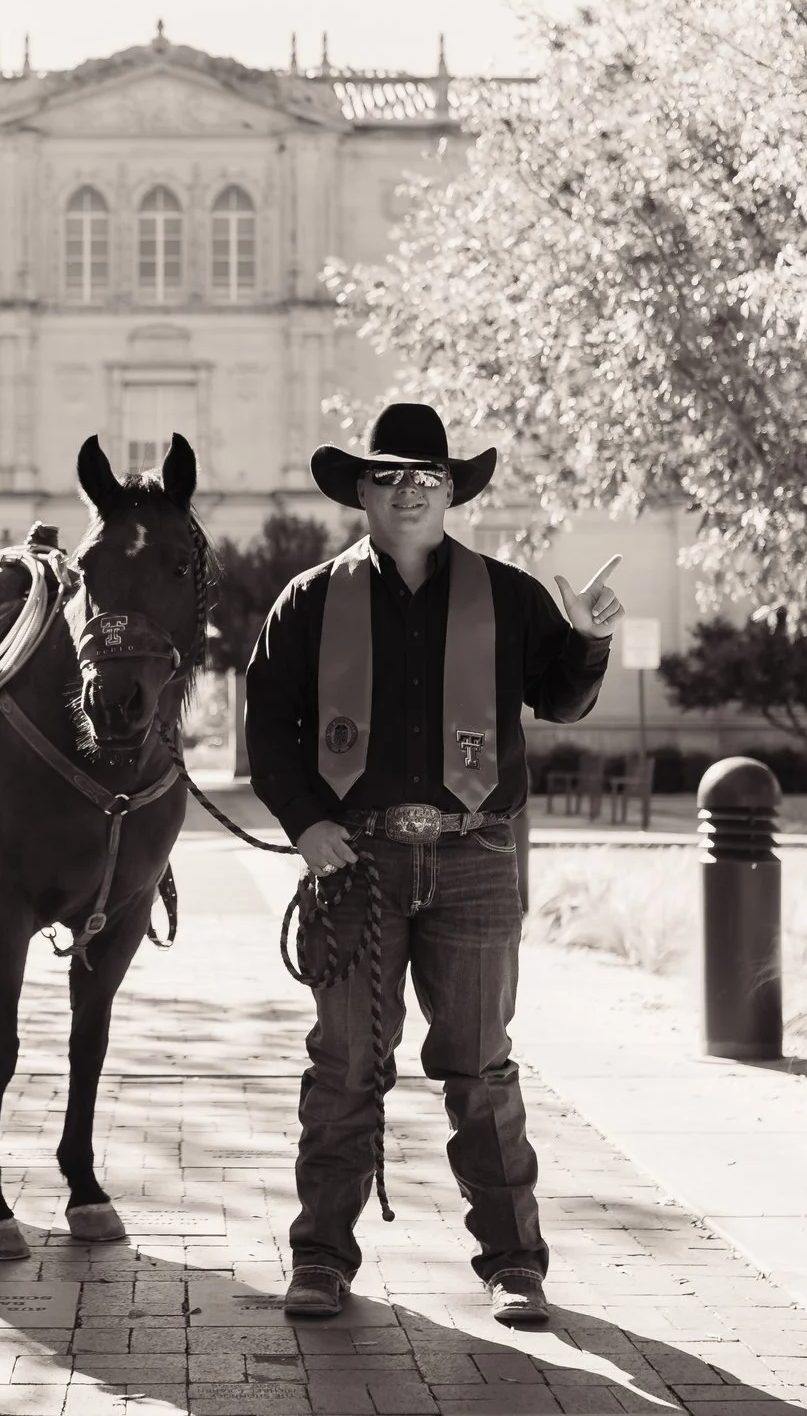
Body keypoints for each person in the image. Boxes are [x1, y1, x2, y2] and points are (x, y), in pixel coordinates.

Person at [244, 401, 619, 1325]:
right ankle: (322, 1257)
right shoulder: (310, 600)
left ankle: (514, 1264)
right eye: (390, 476)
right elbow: (269, 726)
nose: (409, 490)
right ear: (362, 492)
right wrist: (305, 827)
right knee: (344, 1063)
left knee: (481, 1068)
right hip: (354, 861)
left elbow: (562, 702)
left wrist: (587, 639)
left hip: (475, 860)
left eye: (427, 477)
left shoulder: (507, 594)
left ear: (451, 491)